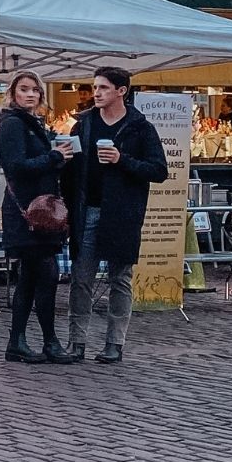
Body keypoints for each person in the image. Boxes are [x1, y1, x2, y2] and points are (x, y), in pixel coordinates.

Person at [61, 65, 168, 365]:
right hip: (87, 210)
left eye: (104, 87)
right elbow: (71, 171)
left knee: (119, 277)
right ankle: (76, 341)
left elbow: (159, 170)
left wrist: (123, 160)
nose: (96, 92)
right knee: (80, 278)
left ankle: (114, 343)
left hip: (122, 213)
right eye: (95, 87)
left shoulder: (140, 127)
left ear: (122, 91)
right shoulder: (83, 124)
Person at [0, 70, 74, 364]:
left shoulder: (34, 124)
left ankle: (19, 342)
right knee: (45, 274)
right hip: (28, 213)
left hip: (42, 212)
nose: (30, 94)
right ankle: (48, 342)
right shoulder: (13, 124)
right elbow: (16, 166)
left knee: (31, 276)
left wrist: (57, 159)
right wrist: (54, 158)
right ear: (13, 93)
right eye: (24, 89)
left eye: (35, 90)